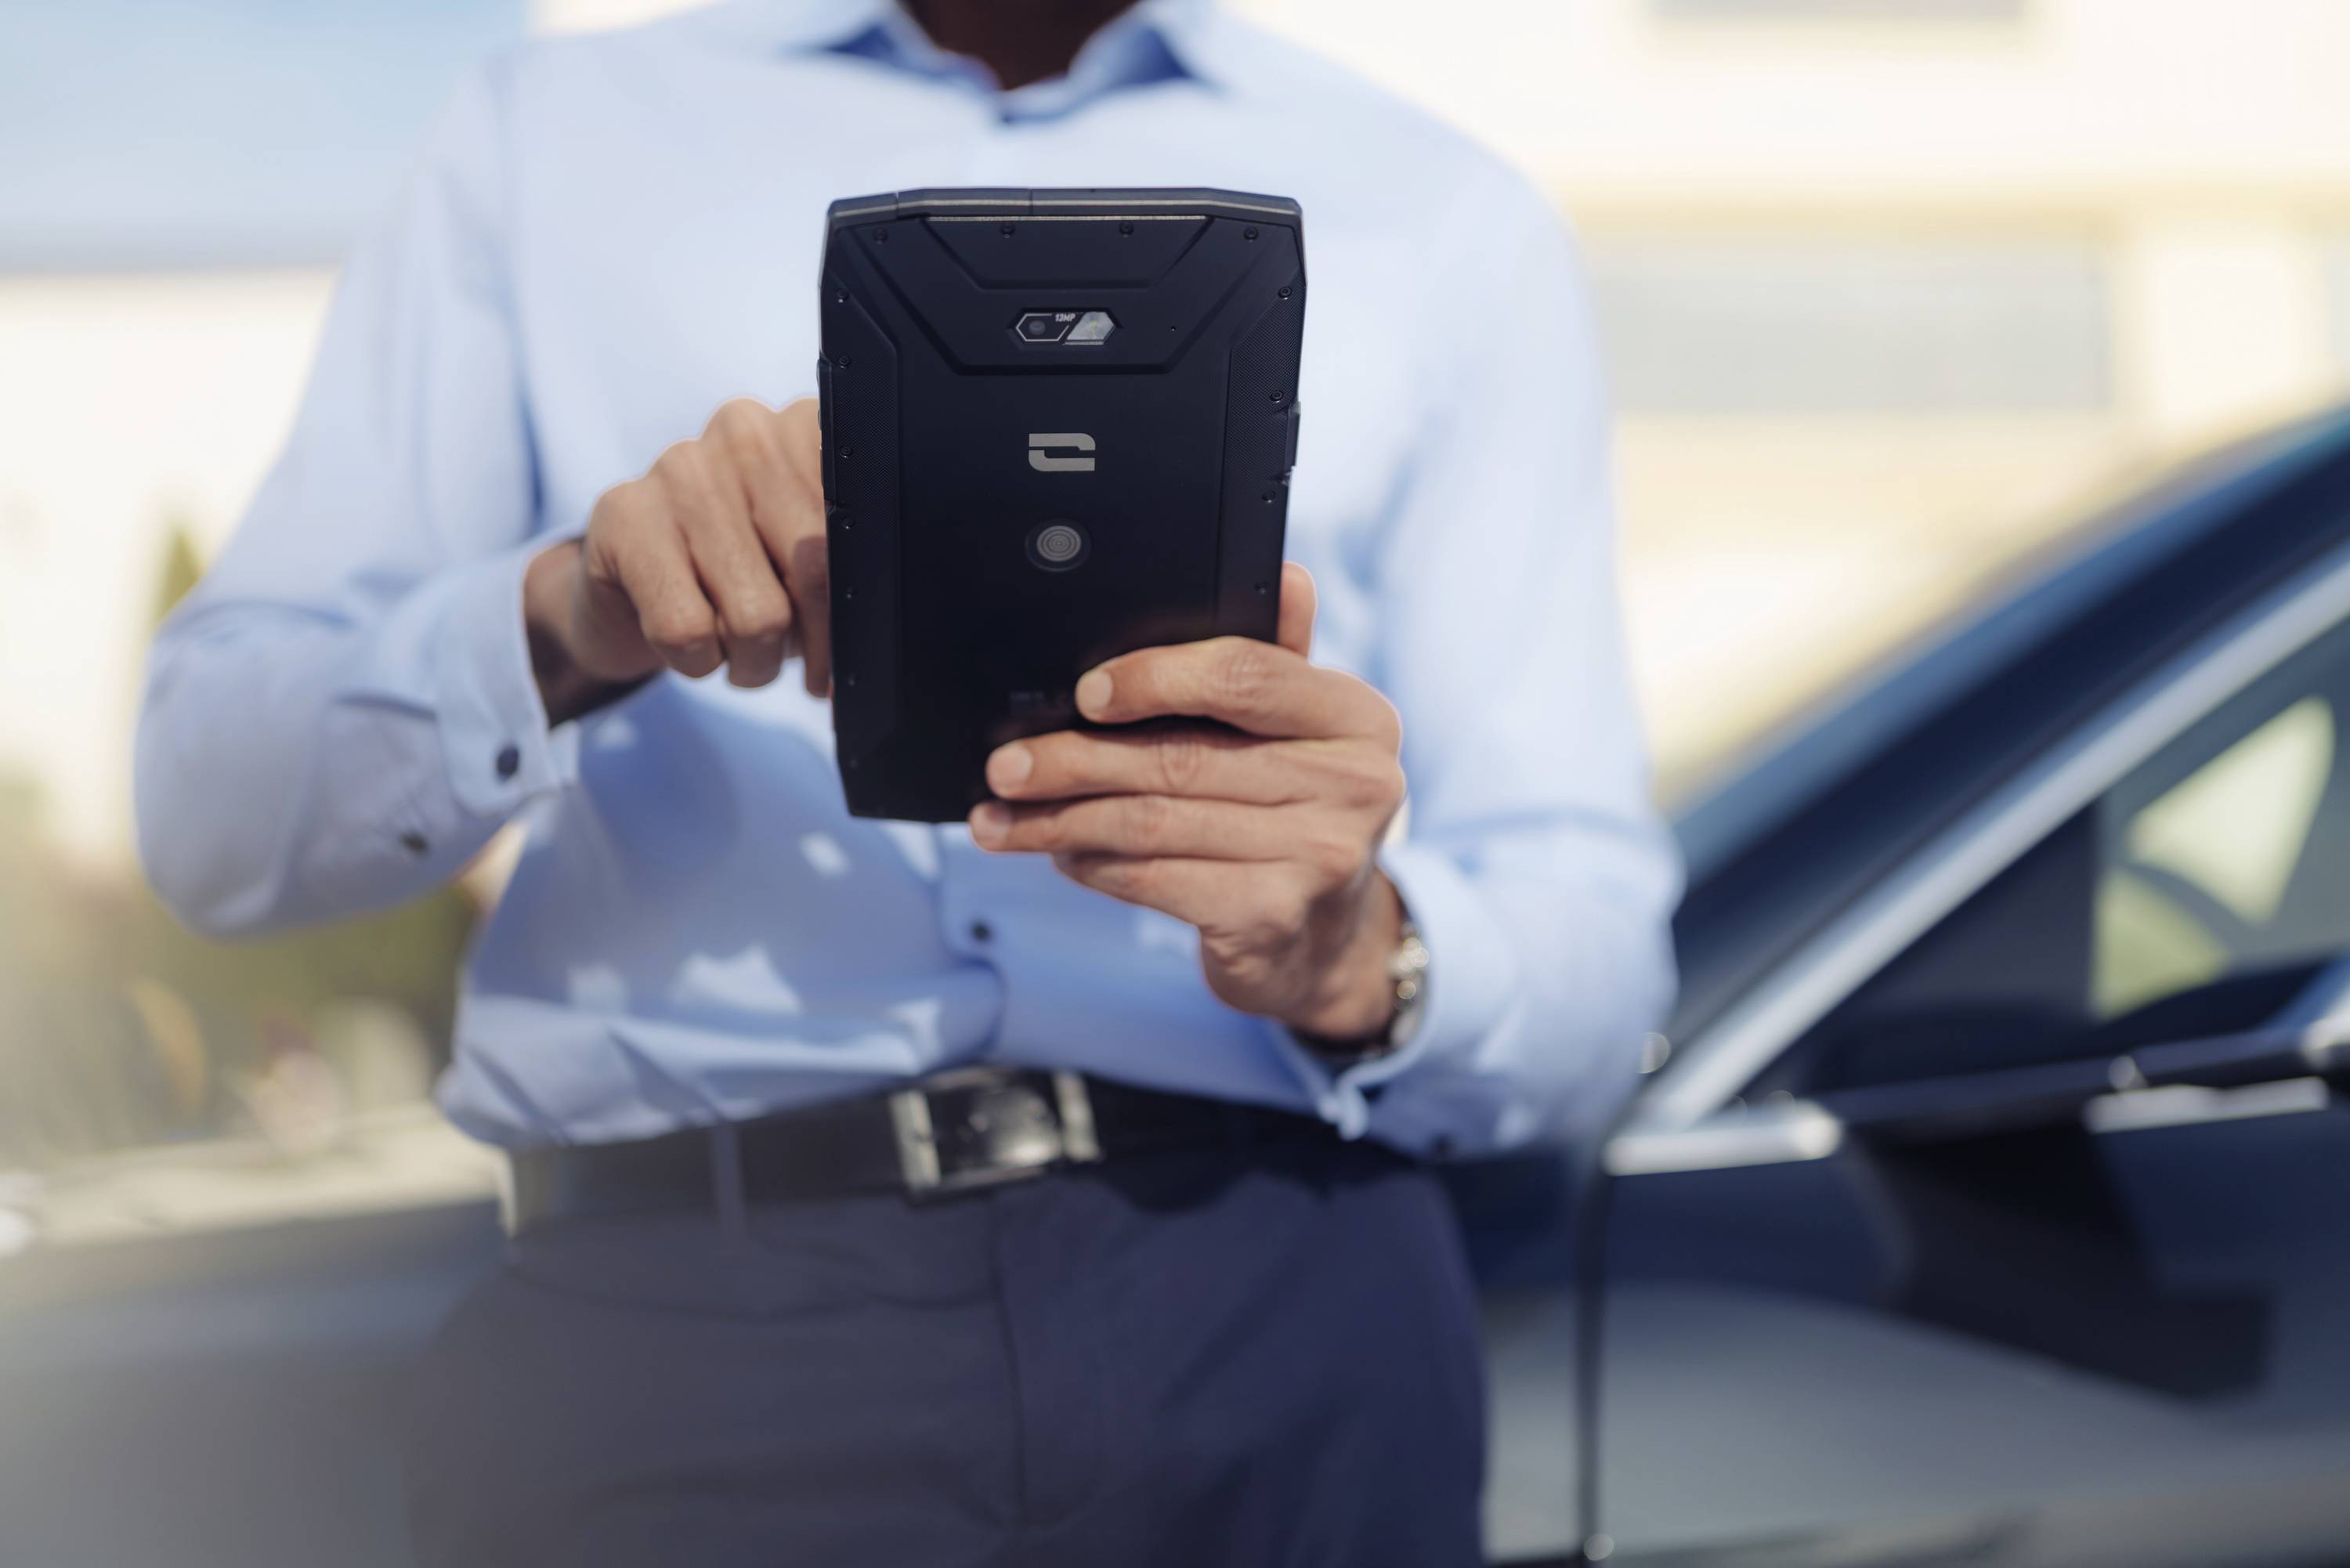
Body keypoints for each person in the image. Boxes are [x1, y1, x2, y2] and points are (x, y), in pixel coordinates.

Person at [133, 0, 1681, 1563]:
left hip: (1277, 1303)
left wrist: (1359, 952)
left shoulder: (1447, 210)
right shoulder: (544, 138)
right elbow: (212, 809)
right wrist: (574, 612)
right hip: (681, 1343)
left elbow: (1598, 970)